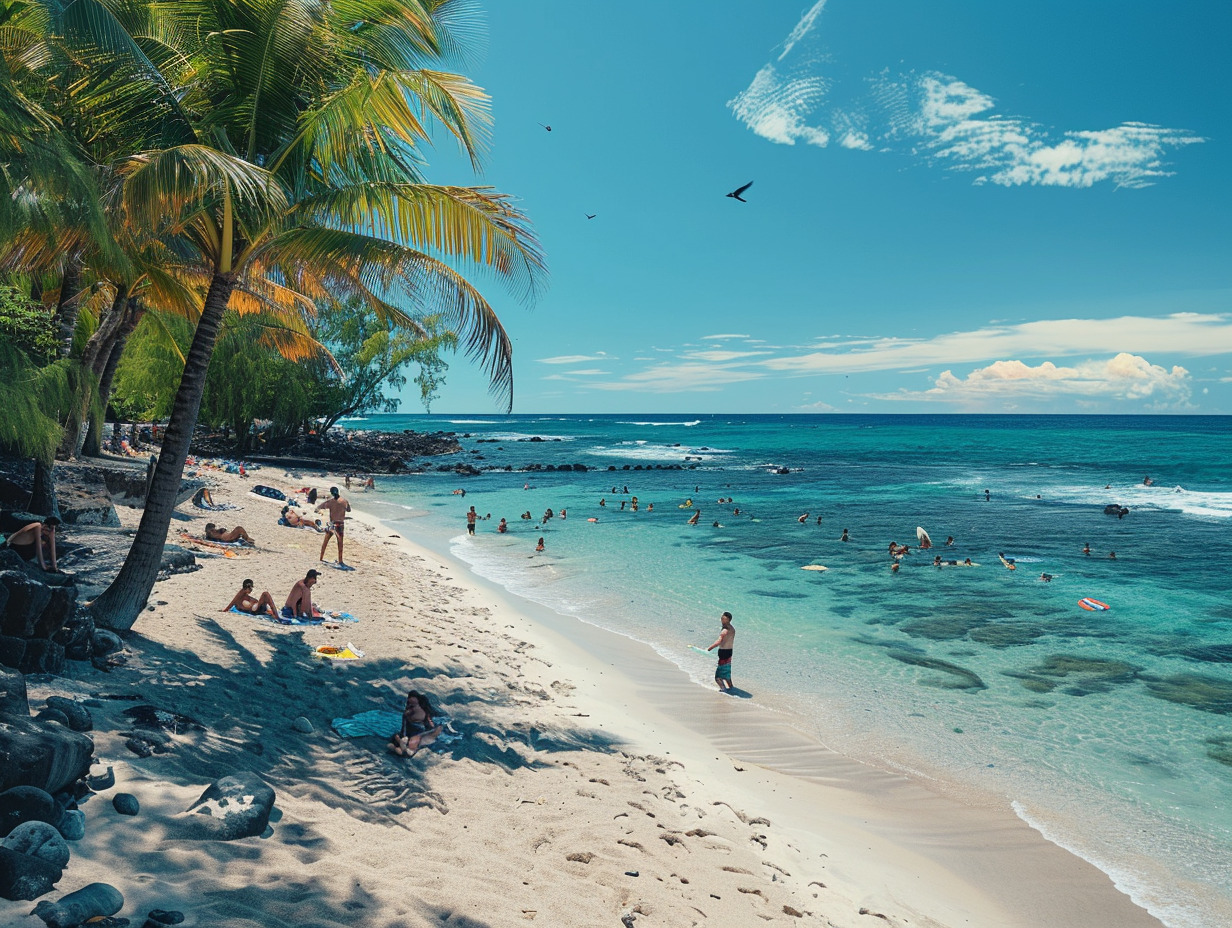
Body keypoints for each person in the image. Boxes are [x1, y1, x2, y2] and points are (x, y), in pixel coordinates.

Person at [389, 691, 443, 757]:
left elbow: (436, 730)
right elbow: (404, 730)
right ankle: (402, 749)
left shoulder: (430, 718)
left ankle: (406, 751)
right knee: (395, 738)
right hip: (410, 736)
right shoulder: (406, 716)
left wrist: (419, 736)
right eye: (408, 705)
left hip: (422, 737)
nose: (409, 710)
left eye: (413, 707)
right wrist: (402, 738)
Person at [317, 486, 352, 566]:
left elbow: (319, 507)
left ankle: (321, 558)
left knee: (325, 541)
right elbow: (349, 510)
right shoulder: (344, 501)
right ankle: (340, 561)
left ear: (332, 493)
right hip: (340, 524)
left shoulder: (330, 502)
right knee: (340, 543)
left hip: (332, 524)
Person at [706, 611, 736, 692]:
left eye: (723, 619)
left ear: (728, 620)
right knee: (727, 673)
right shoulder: (732, 628)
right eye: (721, 618)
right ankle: (731, 689)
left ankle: (724, 691)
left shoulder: (725, 630)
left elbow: (719, 641)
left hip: (724, 653)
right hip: (730, 651)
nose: (721, 620)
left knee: (718, 677)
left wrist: (709, 648)